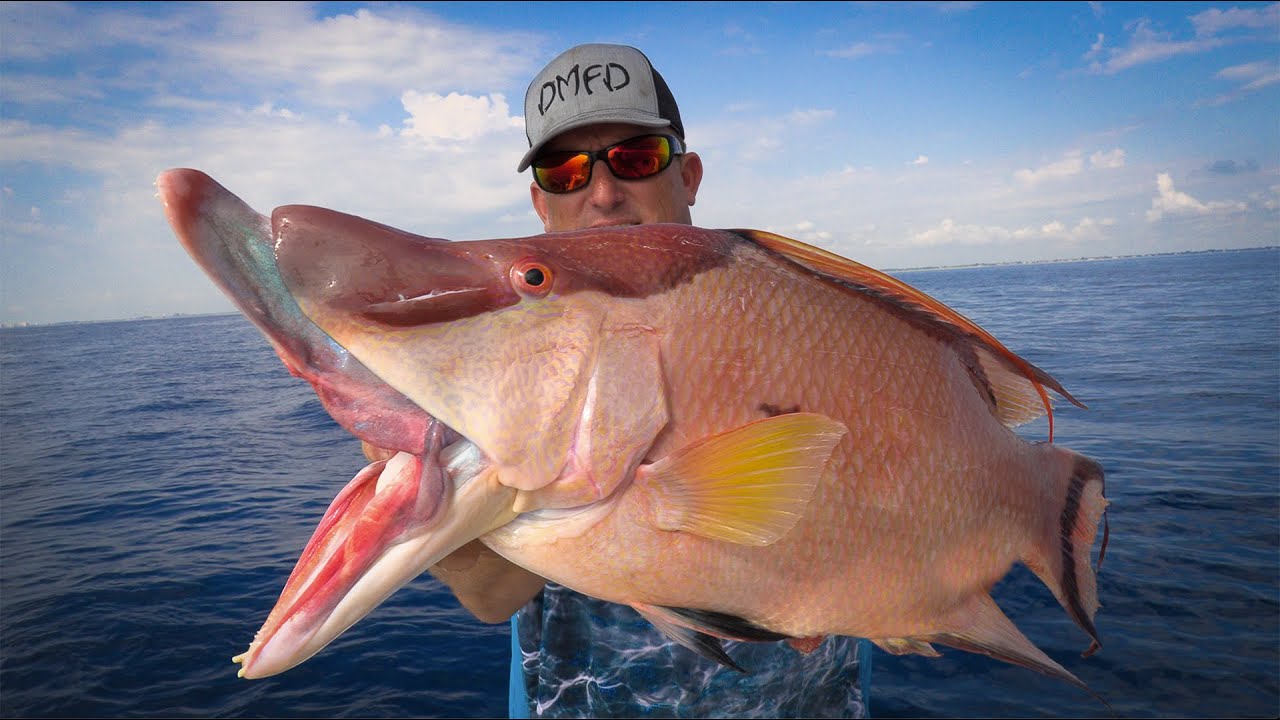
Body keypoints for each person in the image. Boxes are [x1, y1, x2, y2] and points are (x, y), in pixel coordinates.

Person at [410, 44, 872, 718]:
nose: (602, 192)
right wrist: (424, 487)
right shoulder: (509, 353)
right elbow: (490, 595)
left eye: (635, 159)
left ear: (688, 175)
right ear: (540, 202)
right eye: (565, 170)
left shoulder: (807, 316)